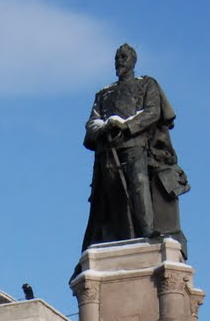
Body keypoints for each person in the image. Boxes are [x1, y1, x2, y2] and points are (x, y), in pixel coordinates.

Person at [80, 42, 189, 255]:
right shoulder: (104, 93)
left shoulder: (146, 85)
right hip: (108, 150)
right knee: (111, 194)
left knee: (139, 182)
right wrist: (105, 128)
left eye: (124, 58)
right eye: (117, 58)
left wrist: (126, 126)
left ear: (133, 61)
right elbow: (92, 123)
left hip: (135, 145)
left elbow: (152, 112)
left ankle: (147, 230)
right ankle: (116, 235)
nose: (119, 62)